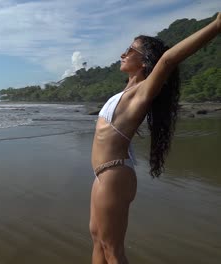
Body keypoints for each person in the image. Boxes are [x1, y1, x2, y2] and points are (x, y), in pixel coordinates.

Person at [89, 12, 221, 264]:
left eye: (130, 50)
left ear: (145, 61)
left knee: (112, 249)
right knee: (98, 240)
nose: (123, 54)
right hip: (103, 175)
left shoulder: (142, 92)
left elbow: (169, 60)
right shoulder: (125, 92)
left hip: (114, 175)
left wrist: (216, 25)